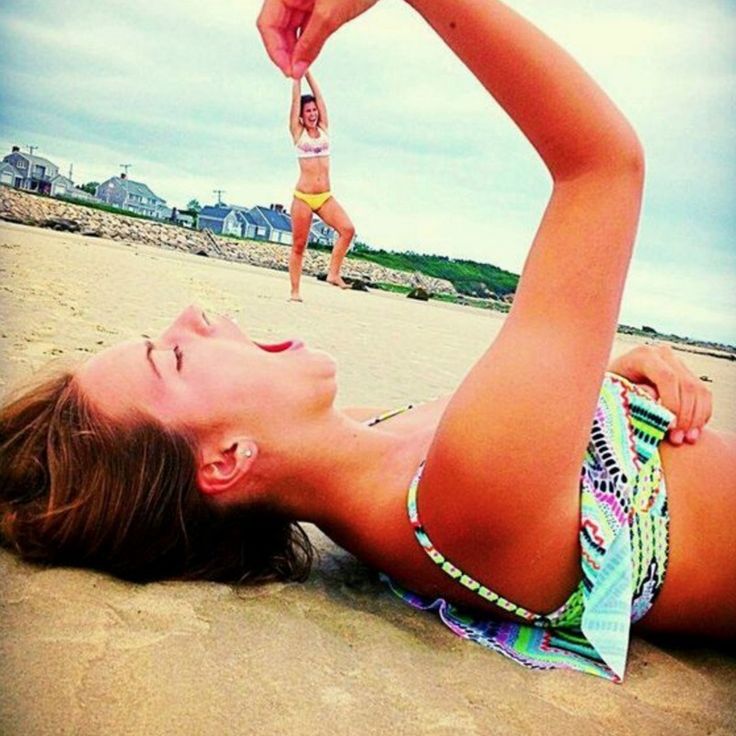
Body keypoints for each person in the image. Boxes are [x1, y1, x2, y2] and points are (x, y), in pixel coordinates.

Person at [1, 0, 734, 682]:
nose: (195, 313)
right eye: (175, 355)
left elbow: (559, 454)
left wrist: (602, 381)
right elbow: (602, 167)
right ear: (226, 459)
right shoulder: (462, 495)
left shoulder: (377, 453)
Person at [288, 69, 355, 300]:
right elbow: (296, 100)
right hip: (303, 198)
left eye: (314, 110)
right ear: (301, 115)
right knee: (299, 246)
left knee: (347, 230)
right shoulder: (298, 133)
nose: (313, 113)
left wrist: (308, 73)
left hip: (325, 197)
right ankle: (295, 291)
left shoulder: (324, 129)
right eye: (308, 111)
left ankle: (333, 274)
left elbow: (320, 96)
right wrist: (296, 76)